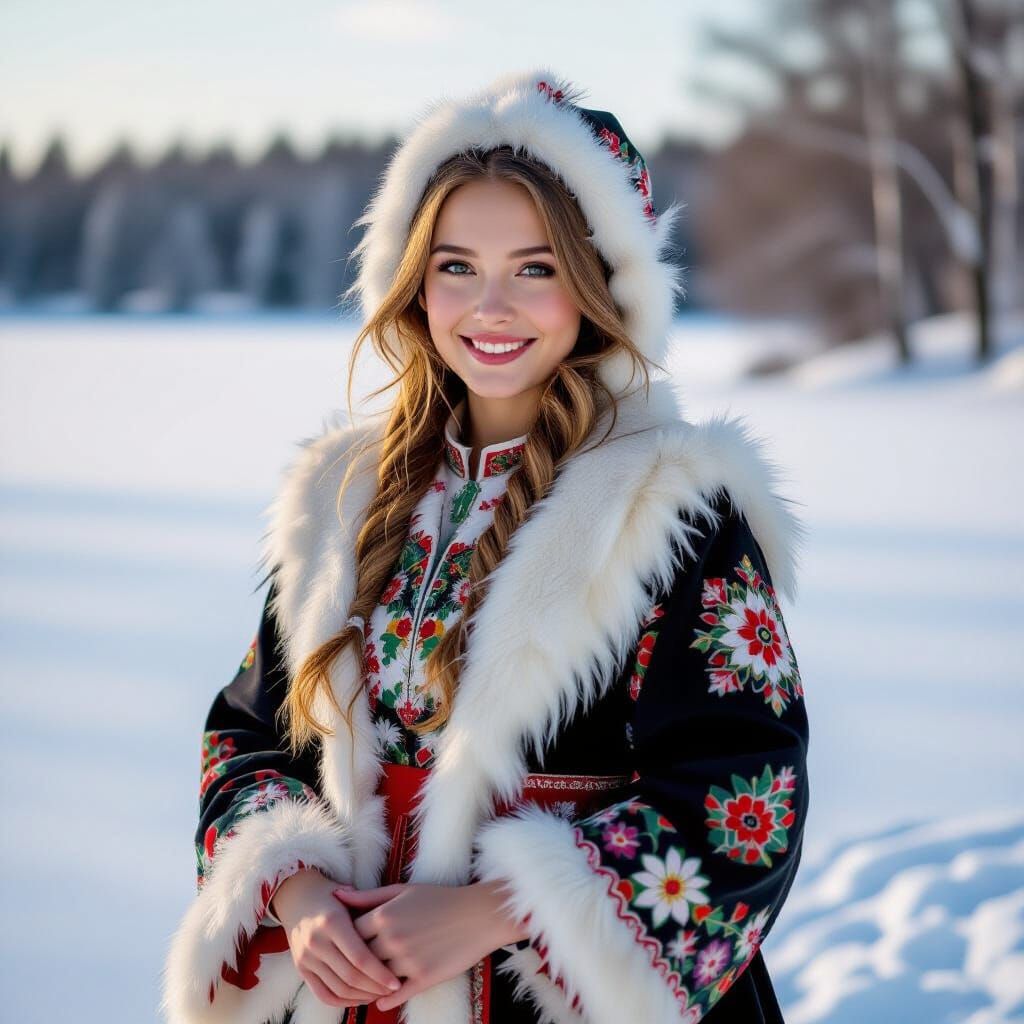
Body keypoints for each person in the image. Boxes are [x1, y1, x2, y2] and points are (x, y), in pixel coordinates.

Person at [162, 69, 810, 1024]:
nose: (489, 305)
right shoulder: (341, 501)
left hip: (555, 995)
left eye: (536, 267)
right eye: (456, 265)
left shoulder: (671, 509)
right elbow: (251, 736)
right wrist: (295, 897)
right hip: (352, 988)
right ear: (413, 281)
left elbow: (744, 798)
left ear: (602, 287)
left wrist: (493, 910)